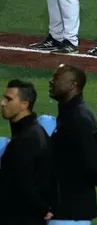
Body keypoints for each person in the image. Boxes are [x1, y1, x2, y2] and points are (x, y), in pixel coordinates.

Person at [48, 64, 97, 224]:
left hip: (71, 211)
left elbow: (90, 162)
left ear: (73, 84)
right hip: (67, 209)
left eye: (57, 77)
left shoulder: (78, 117)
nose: (51, 81)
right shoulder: (70, 114)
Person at [0, 79, 54, 224]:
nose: (2, 103)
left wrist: (43, 209)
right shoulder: (34, 131)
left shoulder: (27, 139)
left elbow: (23, 183)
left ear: (24, 104)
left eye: (8, 99)